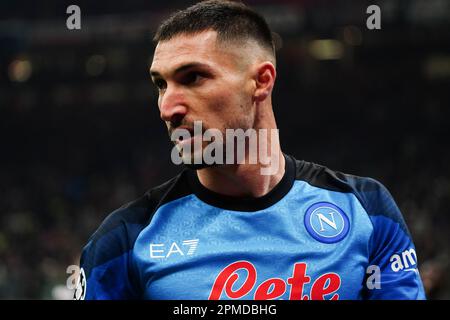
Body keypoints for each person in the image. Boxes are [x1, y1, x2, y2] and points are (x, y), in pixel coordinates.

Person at [76, 0, 426, 300]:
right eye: (160, 84)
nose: (168, 108)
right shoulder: (124, 239)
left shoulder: (367, 209)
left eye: (193, 78)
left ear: (261, 81)